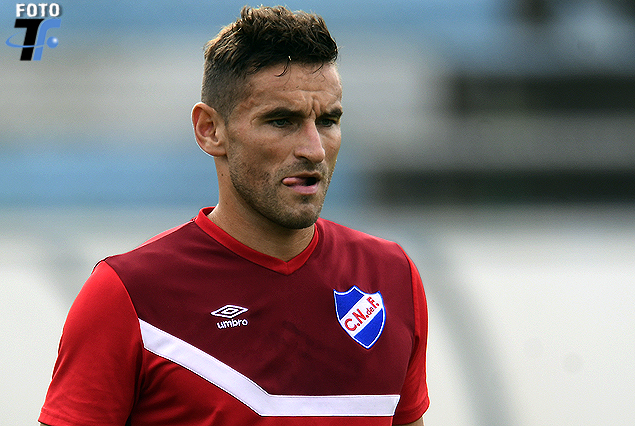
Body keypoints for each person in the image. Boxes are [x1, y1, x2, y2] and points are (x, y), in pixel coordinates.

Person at [39, 5, 429, 426]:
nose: (314, 149)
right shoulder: (129, 296)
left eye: (328, 120)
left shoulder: (391, 277)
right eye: (282, 121)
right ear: (210, 130)